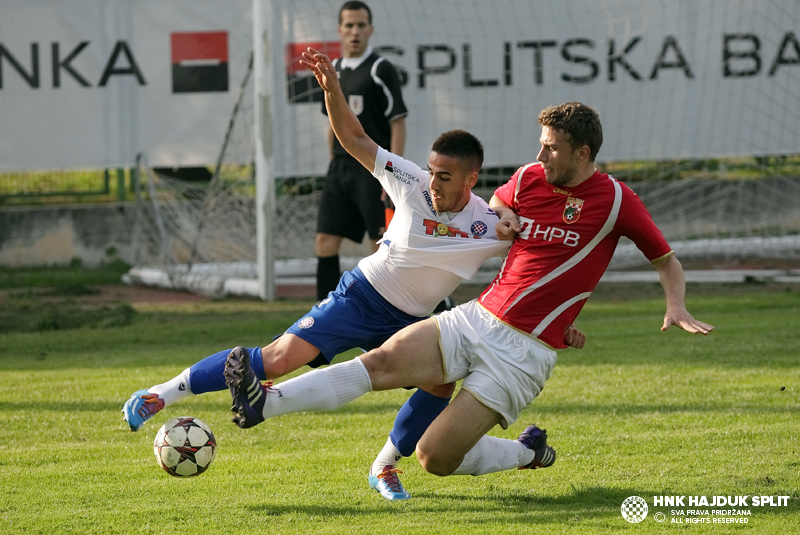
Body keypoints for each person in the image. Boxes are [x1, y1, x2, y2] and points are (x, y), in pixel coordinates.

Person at [225, 58, 714, 495]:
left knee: (434, 458)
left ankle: (526, 452)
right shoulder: (528, 178)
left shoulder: (617, 201)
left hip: (524, 354)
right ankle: (265, 404)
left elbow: (664, 259)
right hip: (478, 317)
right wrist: (502, 212)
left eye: (552, 149)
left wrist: (675, 303)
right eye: (540, 145)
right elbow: (497, 204)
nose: (540, 157)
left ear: (583, 153)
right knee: (382, 362)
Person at [124, 45, 590, 500]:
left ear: (471, 179)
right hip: (361, 296)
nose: (432, 182)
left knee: (440, 385)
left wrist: (561, 323)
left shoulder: (491, 226)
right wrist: (332, 90)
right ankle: (160, 395)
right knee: (280, 357)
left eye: (444, 176)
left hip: (415, 320)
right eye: (431, 171)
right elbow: (355, 140)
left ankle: (384, 466)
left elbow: (536, 272)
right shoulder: (409, 182)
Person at [315, 1, 407, 301]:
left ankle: (388, 312)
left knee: (379, 246)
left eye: (360, 25)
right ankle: (321, 316)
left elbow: (397, 123)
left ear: (371, 29)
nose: (355, 31)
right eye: (349, 25)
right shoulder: (335, 69)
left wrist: (391, 175)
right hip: (340, 170)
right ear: (340, 30)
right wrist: (333, 160)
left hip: (373, 170)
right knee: (325, 241)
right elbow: (333, 121)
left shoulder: (381, 69)